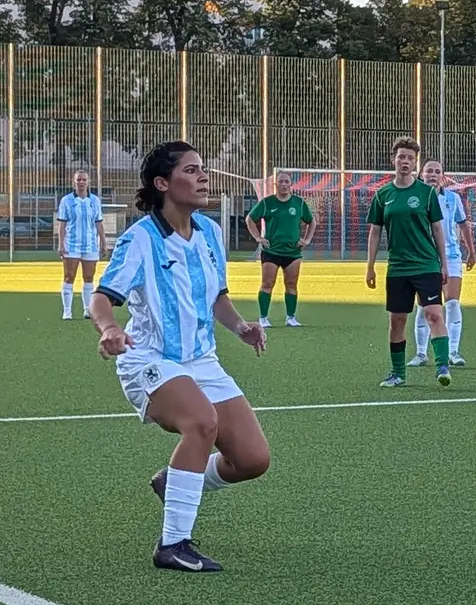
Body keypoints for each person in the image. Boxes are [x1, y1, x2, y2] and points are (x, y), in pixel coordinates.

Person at [89, 141, 270, 573]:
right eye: (192, 170)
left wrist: (241, 327)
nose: (204, 177)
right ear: (162, 183)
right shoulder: (140, 239)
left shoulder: (209, 233)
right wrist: (110, 329)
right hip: (149, 358)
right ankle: (172, 544)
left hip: (202, 361)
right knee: (201, 422)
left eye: (202, 169)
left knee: (252, 460)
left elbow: (216, 297)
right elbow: (101, 298)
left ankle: (175, 481)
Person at [366, 137, 451, 388]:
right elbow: (374, 232)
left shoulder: (426, 193)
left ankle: (442, 367)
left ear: (416, 163)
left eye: (410, 158)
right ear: (394, 159)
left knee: (434, 314)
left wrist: (444, 264)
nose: (405, 161)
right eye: (401, 156)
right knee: (397, 321)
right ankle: (398, 373)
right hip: (398, 268)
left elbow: (437, 229)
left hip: (426, 265)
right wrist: (370, 266)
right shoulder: (383, 195)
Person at [412, 161, 476, 367]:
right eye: (429, 171)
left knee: (452, 303)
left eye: (437, 171)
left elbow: (463, 224)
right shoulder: (413, 198)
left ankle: (453, 351)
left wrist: (471, 251)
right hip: (423, 256)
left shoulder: (452, 198)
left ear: (443, 176)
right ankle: (421, 353)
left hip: (450, 255)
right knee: (424, 306)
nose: (433, 174)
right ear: (421, 174)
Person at [244, 170, 314, 328]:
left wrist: (306, 240)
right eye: (280, 182)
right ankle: (263, 318)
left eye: (286, 182)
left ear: (291, 185)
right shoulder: (267, 203)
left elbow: (311, 221)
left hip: (293, 252)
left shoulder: (299, 203)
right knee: (267, 283)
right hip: (271, 251)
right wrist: (258, 238)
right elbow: (250, 219)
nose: (283, 185)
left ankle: (291, 318)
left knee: (291, 284)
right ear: (275, 185)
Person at [56, 170, 109, 320]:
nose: (81, 182)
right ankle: (67, 311)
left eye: (84, 180)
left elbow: (98, 223)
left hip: (90, 245)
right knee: (69, 276)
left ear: (88, 182)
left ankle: (87, 309)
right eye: (78, 180)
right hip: (71, 244)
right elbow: (61, 224)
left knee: (89, 277)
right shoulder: (67, 201)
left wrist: (103, 243)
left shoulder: (94, 201)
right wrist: (61, 244)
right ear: (74, 182)